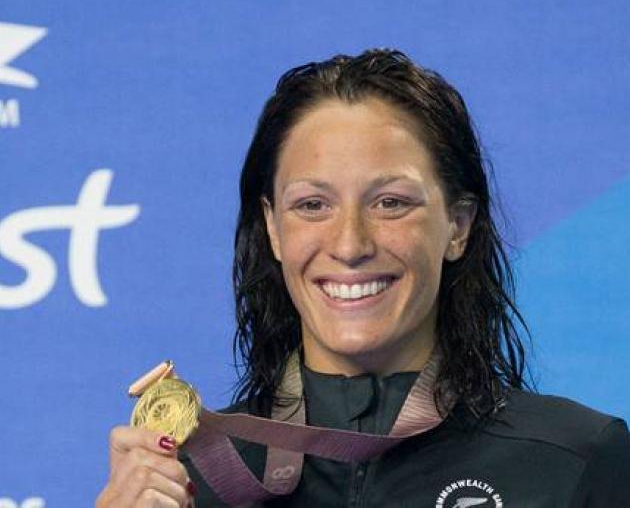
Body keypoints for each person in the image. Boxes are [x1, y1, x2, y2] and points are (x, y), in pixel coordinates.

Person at [97, 49, 630, 507]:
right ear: (274, 229)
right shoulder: (188, 479)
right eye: (312, 204)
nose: (350, 244)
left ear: (458, 226)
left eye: (391, 202)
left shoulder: (575, 459)